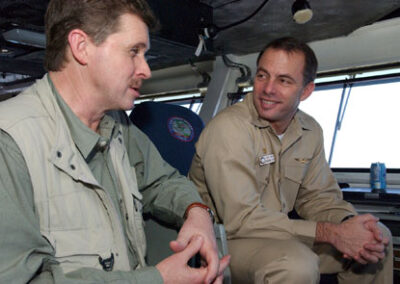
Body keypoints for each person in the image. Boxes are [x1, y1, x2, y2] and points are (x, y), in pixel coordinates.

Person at [0, 0, 229, 283]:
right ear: (81, 47)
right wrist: (158, 279)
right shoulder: (9, 143)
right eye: (134, 51)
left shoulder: (118, 124)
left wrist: (197, 213)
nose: (145, 70)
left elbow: (163, 181)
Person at [188, 37, 392, 284]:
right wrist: (331, 233)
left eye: (283, 80)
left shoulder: (310, 130)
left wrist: (348, 224)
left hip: (278, 234)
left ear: (306, 91)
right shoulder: (228, 128)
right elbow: (241, 220)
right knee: (295, 265)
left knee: (378, 241)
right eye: (263, 76)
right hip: (224, 239)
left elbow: (318, 198)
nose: (268, 89)